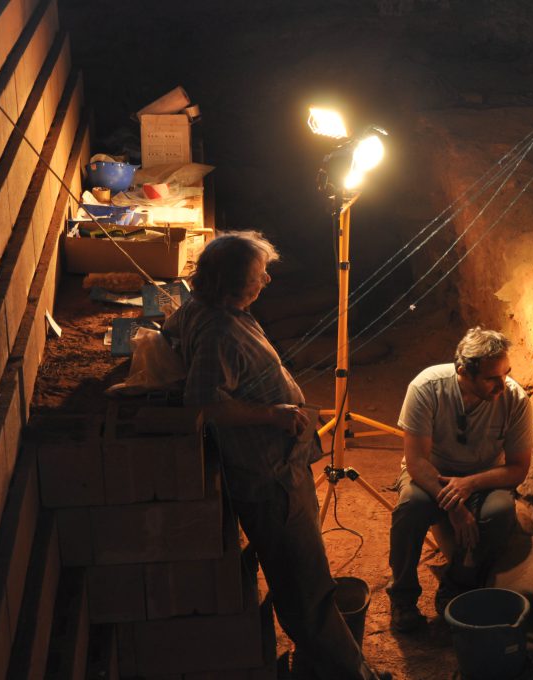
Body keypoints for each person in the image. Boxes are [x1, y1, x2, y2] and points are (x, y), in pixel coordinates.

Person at [162, 231, 386, 680]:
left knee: (303, 578)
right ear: (229, 284)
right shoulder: (218, 331)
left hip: (280, 465)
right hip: (270, 477)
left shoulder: (208, 310)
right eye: (256, 274)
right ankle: (348, 674)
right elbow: (202, 404)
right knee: (307, 585)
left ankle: (318, 663)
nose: (266, 278)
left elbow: (169, 334)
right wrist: (272, 414)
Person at [387, 327, 533, 633]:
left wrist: (470, 485)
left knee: (499, 513)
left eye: (506, 373)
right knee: (410, 508)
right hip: (431, 473)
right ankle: (402, 597)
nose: (502, 385)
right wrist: (454, 506)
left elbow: (518, 468)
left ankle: (458, 581)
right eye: (492, 378)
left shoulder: (515, 400)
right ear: (463, 372)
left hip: (482, 476)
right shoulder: (427, 388)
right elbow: (416, 461)